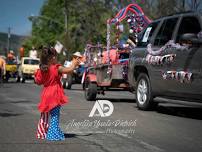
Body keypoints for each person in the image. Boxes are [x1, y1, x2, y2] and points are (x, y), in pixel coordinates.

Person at [34, 47, 80, 140]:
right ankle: (52, 135)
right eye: (56, 56)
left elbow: (38, 81)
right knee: (55, 116)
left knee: (44, 115)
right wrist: (74, 64)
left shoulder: (42, 70)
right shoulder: (56, 68)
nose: (57, 58)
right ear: (52, 58)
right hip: (54, 94)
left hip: (45, 94)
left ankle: (41, 133)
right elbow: (69, 70)